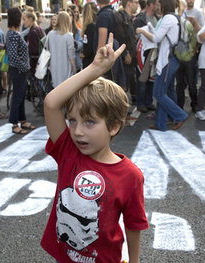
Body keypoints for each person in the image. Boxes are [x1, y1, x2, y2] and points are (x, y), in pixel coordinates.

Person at [41, 33, 148, 263]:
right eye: (72, 120)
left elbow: (133, 225)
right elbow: (51, 103)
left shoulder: (130, 176)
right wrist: (94, 69)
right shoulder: (68, 152)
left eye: (89, 122)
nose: (78, 131)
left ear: (114, 126)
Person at [136, 0, 188, 131]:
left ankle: (180, 115)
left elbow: (156, 38)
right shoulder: (175, 17)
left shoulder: (168, 18)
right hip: (172, 59)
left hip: (167, 61)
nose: (157, 5)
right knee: (167, 91)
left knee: (158, 93)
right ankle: (161, 123)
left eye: (159, 3)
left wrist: (142, 31)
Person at [6, 7, 35, 134]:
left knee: (21, 96)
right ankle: (14, 124)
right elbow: (13, 56)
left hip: (19, 70)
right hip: (18, 70)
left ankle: (22, 120)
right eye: (21, 17)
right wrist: (25, 67)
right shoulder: (12, 34)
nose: (22, 20)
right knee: (17, 97)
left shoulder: (13, 34)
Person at [175, 0, 204, 113]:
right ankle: (180, 106)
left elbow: (201, 32)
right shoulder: (176, 15)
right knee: (180, 84)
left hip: (191, 55)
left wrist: (195, 22)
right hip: (179, 54)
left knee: (192, 83)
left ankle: (194, 104)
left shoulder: (198, 13)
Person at [134, 0, 160, 114]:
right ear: (150, 5)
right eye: (156, 4)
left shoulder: (158, 19)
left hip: (154, 51)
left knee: (151, 78)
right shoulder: (140, 19)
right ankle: (141, 103)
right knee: (142, 78)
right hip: (143, 52)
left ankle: (149, 102)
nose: (158, 6)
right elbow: (135, 34)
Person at [47, 11, 75, 88]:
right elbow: (71, 55)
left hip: (54, 68)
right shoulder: (68, 36)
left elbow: (47, 50)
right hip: (66, 69)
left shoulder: (50, 34)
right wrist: (75, 69)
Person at [81, 2, 97, 69]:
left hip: (89, 62)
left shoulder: (90, 27)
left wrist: (84, 54)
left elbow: (90, 45)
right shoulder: (96, 25)